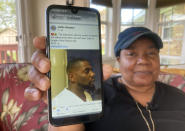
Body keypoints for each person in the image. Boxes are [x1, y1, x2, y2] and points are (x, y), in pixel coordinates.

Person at [25, 27, 185, 131]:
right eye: (131, 53)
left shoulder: (179, 97)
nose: (143, 60)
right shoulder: (95, 95)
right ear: (118, 60)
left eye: (151, 53)